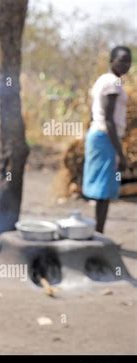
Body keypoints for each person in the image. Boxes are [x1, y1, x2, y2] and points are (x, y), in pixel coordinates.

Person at [83, 46, 132, 233]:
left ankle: (97, 233)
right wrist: (121, 153)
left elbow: (94, 112)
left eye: (129, 61)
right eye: (122, 60)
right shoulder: (113, 83)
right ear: (112, 61)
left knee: (100, 187)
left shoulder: (103, 80)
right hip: (105, 137)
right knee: (103, 190)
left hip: (99, 135)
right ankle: (99, 235)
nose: (126, 64)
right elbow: (109, 120)